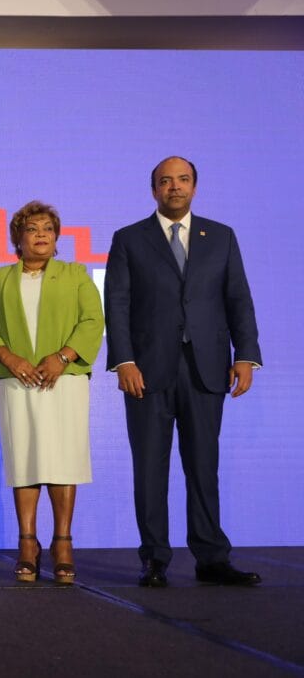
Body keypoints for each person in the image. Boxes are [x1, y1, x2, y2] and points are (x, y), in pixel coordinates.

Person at [105, 156, 262, 587]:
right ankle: (154, 559)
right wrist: (124, 360)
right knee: (150, 469)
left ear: (195, 186)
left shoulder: (222, 237)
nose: (174, 187)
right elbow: (116, 304)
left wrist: (246, 355)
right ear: (153, 189)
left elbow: (239, 300)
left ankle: (211, 557)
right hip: (146, 372)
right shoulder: (129, 239)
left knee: (203, 466)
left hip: (207, 369)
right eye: (165, 181)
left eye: (183, 180)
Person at [0, 201, 104, 584]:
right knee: (25, 458)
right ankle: (28, 544)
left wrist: (62, 358)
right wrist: (10, 358)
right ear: (17, 237)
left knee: (63, 458)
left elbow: (93, 320)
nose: (41, 236)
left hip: (63, 380)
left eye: (48, 229)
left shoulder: (76, 274)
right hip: (17, 381)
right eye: (32, 229)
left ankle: (63, 544)